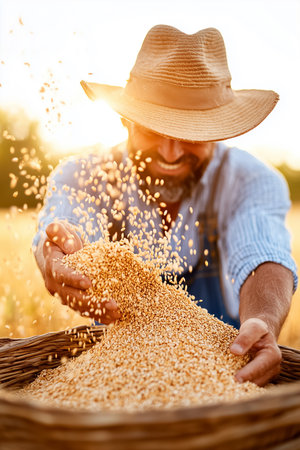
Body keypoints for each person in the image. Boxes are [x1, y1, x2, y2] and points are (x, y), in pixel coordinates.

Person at [33, 25, 297, 386]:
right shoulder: (87, 174)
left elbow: (263, 250)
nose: (171, 153)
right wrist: (60, 249)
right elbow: (70, 219)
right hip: (112, 378)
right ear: (125, 120)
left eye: (190, 135)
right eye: (153, 130)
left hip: (217, 373)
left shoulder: (250, 180)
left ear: (218, 131)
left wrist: (264, 319)